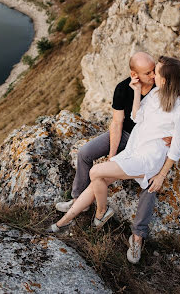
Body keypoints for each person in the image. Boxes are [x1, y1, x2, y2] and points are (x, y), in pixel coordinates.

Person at [49, 56, 180, 265]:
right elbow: (135, 118)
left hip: (150, 157)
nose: (154, 76)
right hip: (134, 149)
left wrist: (162, 175)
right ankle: (62, 223)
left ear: (167, 80)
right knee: (100, 178)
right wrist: (136, 92)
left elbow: (177, 147)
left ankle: (123, 227)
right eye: (152, 73)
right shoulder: (154, 94)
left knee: (97, 173)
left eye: (157, 73)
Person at [55, 52, 167, 244]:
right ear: (134, 74)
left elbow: (175, 113)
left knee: (150, 181)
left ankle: (138, 234)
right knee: (84, 153)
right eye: (148, 73)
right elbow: (116, 123)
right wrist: (112, 155)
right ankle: (78, 200)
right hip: (124, 135)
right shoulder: (123, 89)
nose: (153, 75)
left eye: (153, 70)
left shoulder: (161, 86)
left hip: (145, 141)